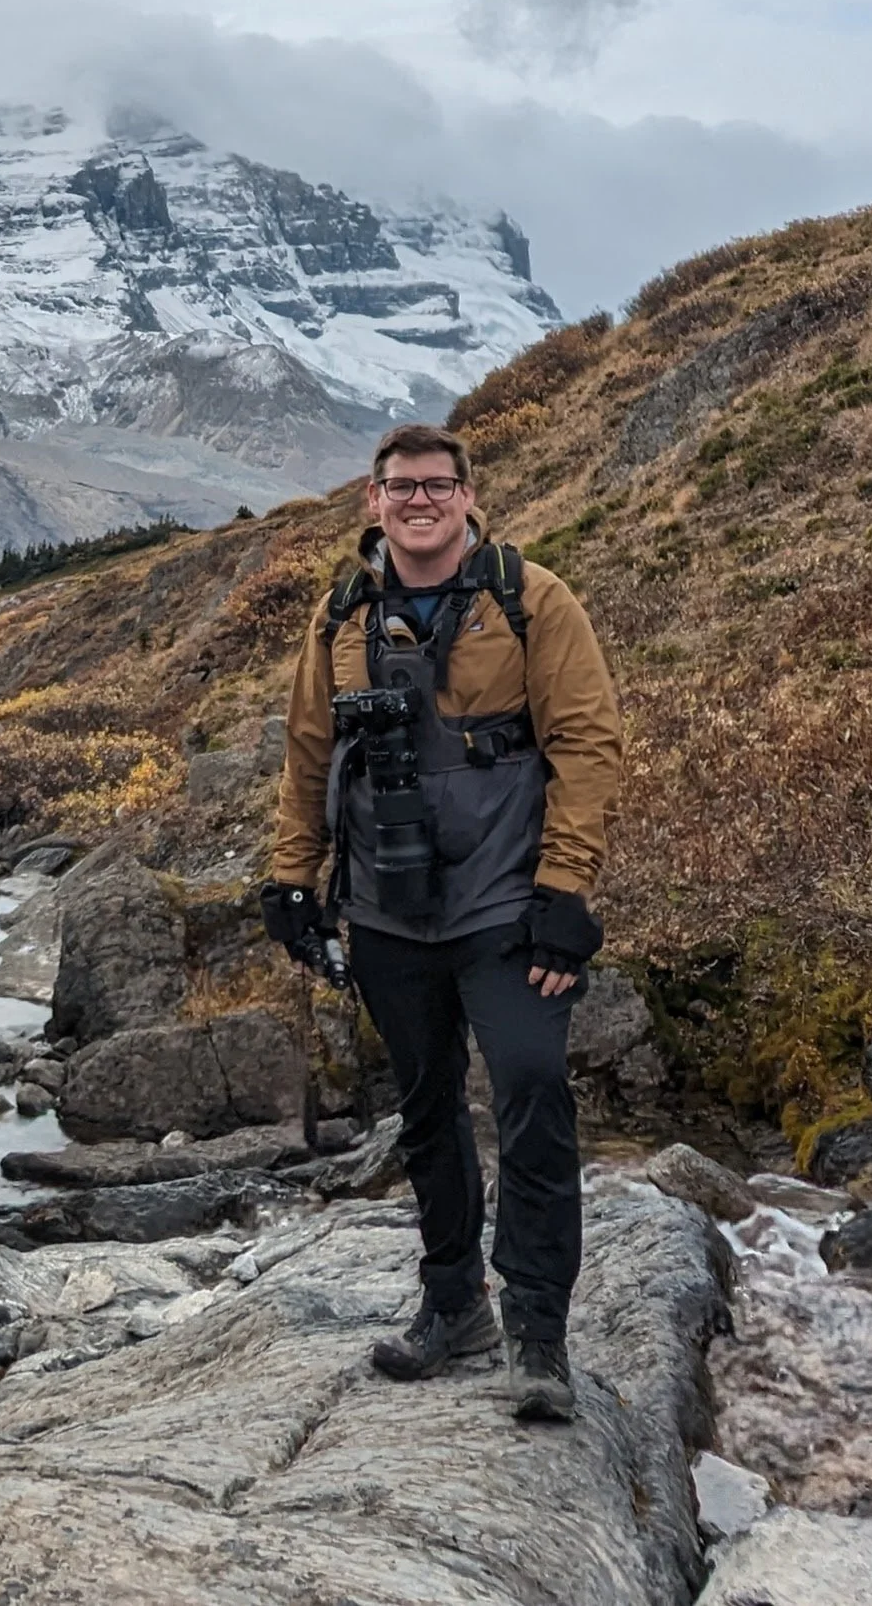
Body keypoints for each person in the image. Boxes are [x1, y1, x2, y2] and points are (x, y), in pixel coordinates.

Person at [260, 422, 622, 1421]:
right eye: (397, 487)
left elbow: (587, 745)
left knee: (530, 1088)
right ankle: (453, 1300)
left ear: (468, 497)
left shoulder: (529, 599)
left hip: (506, 902)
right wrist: (291, 883)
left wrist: (565, 892)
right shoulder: (338, 617)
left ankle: (538, 1331)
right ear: (371, 503)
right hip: (383, 904)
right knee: (424, 1113)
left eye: (434, 485)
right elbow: (303, 756)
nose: (416, 501)